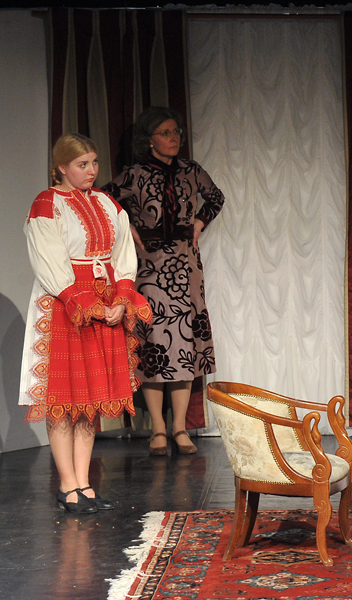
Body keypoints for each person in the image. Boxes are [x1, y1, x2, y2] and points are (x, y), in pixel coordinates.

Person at [19, 134, 153, 513]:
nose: (91, 170)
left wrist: (122, 298)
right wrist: (84, 303)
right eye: (82, 164)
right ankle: (67, 484)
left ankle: (85, 484)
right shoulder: (47, 203)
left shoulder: (107, 203)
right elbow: (49, 261)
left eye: (94, 162)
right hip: (65, 305)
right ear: (62, 167)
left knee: (90, 398)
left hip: (104, 299)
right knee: (65, 399)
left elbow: (123, 253)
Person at [103, 106, 225, 456]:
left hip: (185, 265)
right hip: (150, 267)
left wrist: (200, 222)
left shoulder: (191, 170)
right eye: (166, 133)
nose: (174, 138)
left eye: (177, 132)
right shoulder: (135, 174)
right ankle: (158, 427)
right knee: (154, 344)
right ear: (149, 140)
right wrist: (127, 226)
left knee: (184, 342)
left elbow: (216, 197)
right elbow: (103, 200)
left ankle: (179, 427)